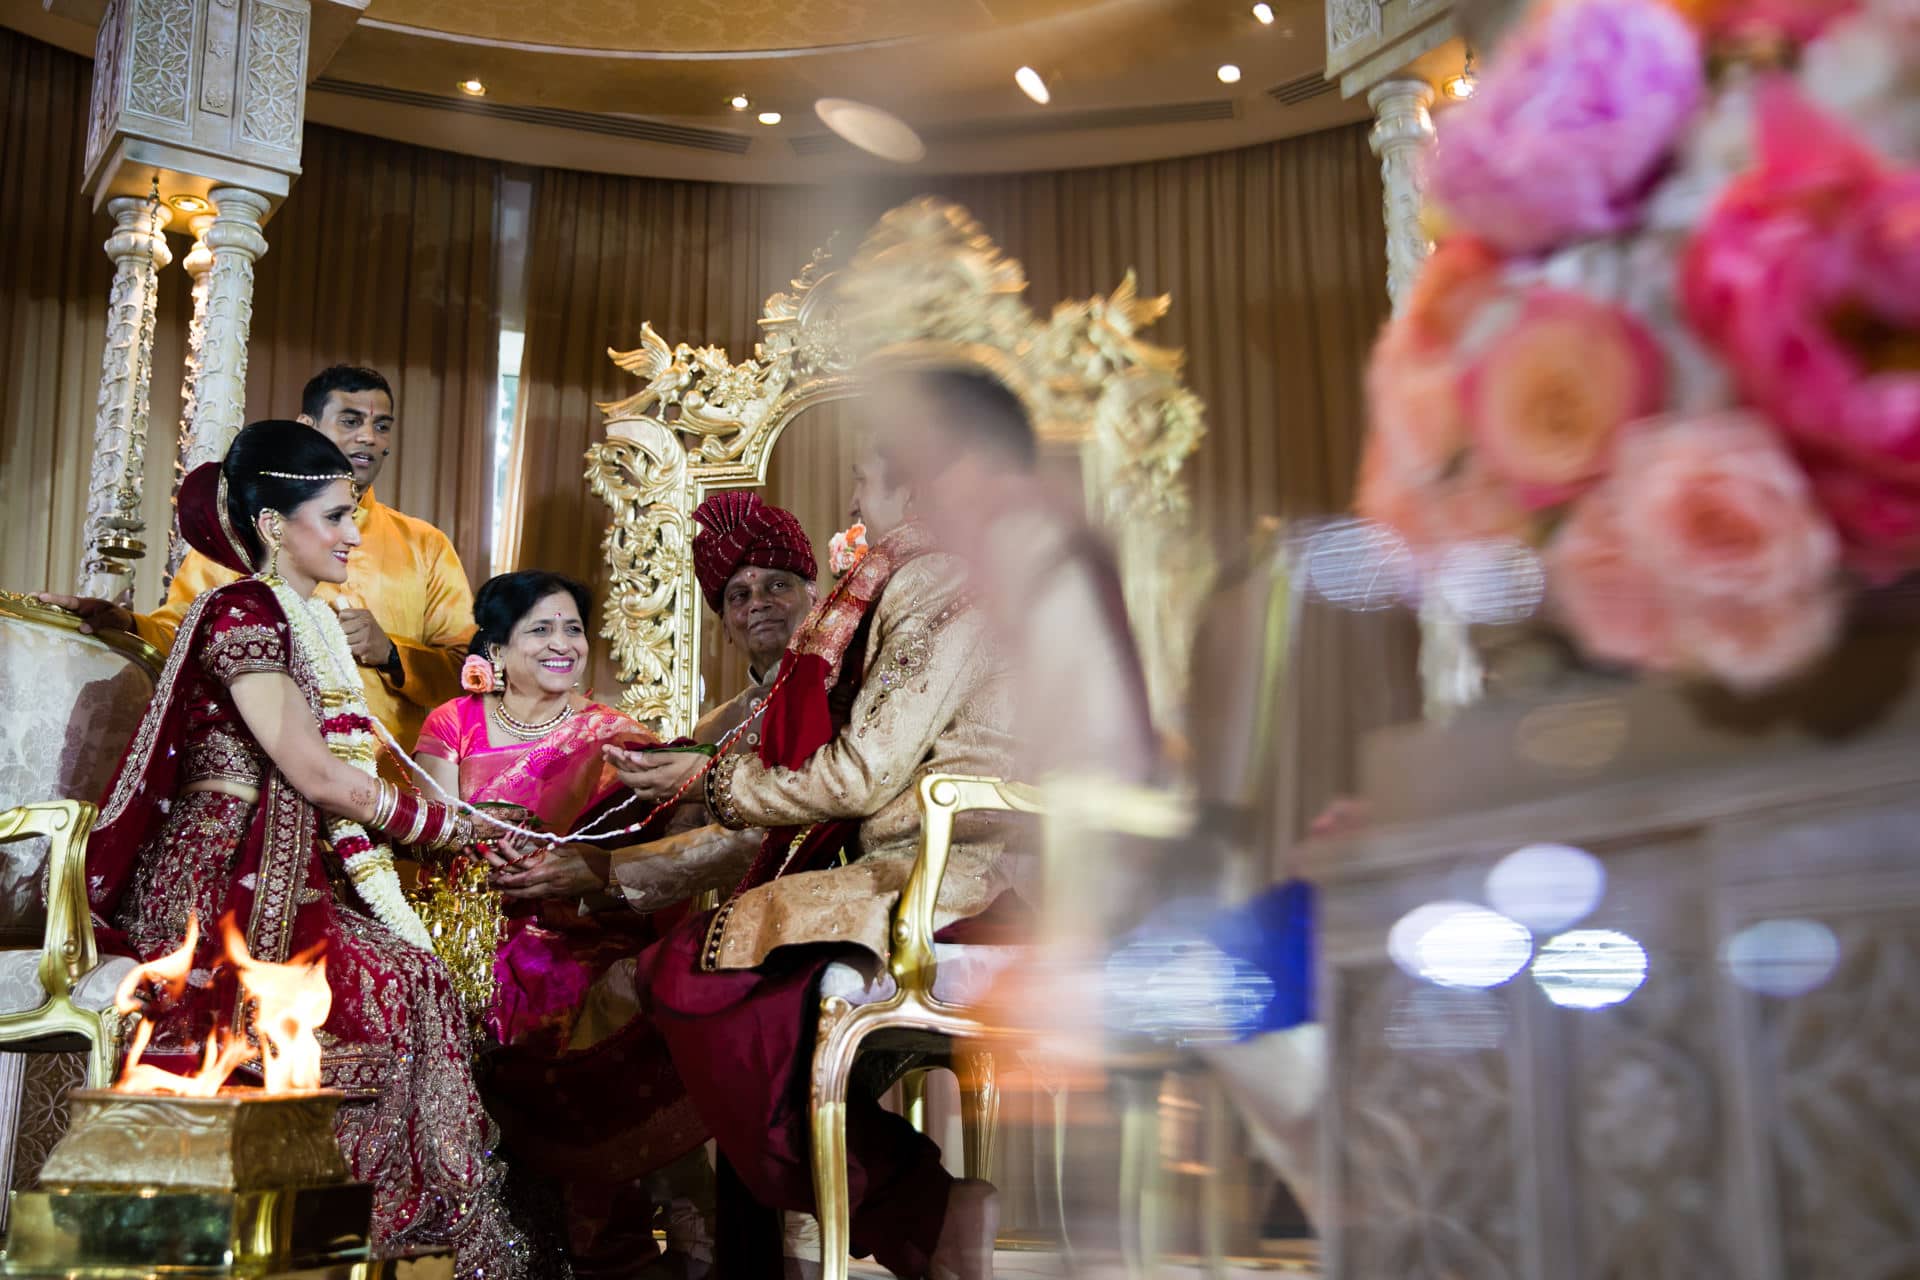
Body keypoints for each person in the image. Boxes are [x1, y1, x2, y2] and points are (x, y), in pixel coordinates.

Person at [83, 421, 526, 1275]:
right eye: (333, 516)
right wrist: (447, 827)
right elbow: (313, 772)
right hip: (215, 886)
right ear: (274, 525)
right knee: (399, 982)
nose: (355, 535)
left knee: (415, 976)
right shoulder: (240, 609)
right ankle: (350, 1227)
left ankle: (348, 1232)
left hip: (287, 870)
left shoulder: (307, 618)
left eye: (352, 515)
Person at [592, 420, 1020, 1280]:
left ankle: (916, 1208)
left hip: (954, 875)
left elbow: (859, 774)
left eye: (865, 480)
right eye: (736, 594)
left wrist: (704, 789)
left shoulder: (933, 582)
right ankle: (901, 1217)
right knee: (697, 969)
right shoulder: (867, 615)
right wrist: (610, 853)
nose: (855, 504)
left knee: (700, 977)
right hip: (910, 864)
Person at [40, 366, 474, 754]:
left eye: (382, 426)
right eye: (350, 421)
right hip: (259, 767)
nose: (369, 437)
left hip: (388, 775)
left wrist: (393, 655)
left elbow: (469, 671)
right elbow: (184, 632)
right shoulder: (248, 530)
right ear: (306, 427)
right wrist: (129, 626)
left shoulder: (423, 545)